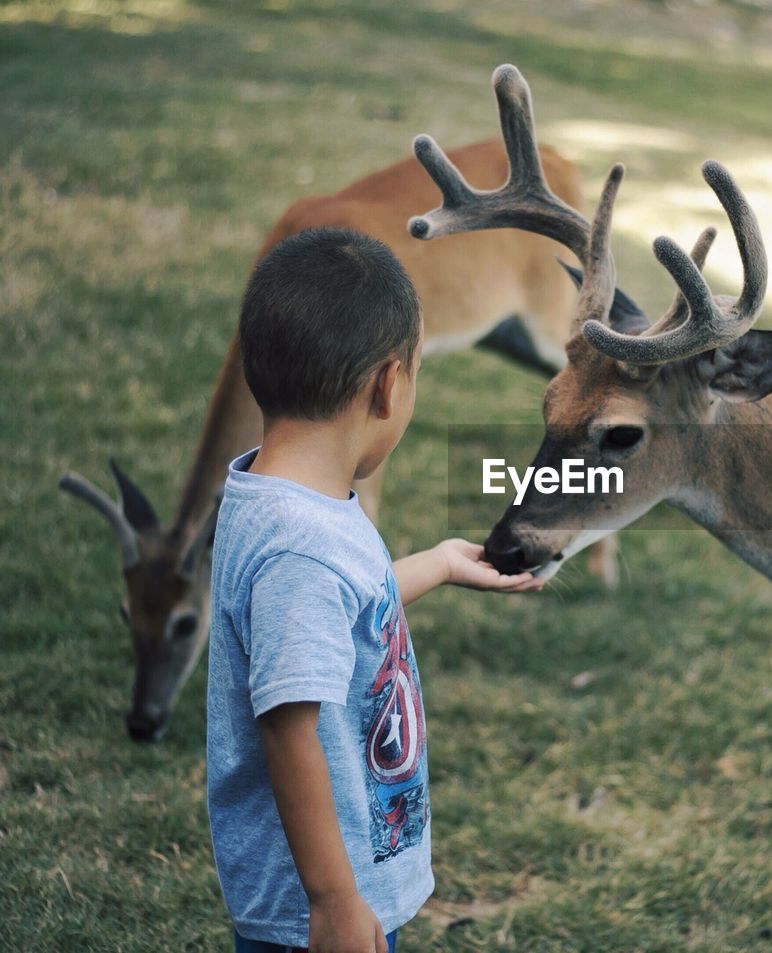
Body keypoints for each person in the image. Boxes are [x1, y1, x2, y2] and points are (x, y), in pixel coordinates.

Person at [206, 227, 542, 953]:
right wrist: (332, 900)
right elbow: (288, 725)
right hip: (317, 910)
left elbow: (338, 613)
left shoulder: (286, 498)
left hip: (337, 887)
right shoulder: (301, 547)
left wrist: (441, 563)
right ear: (389, 384)